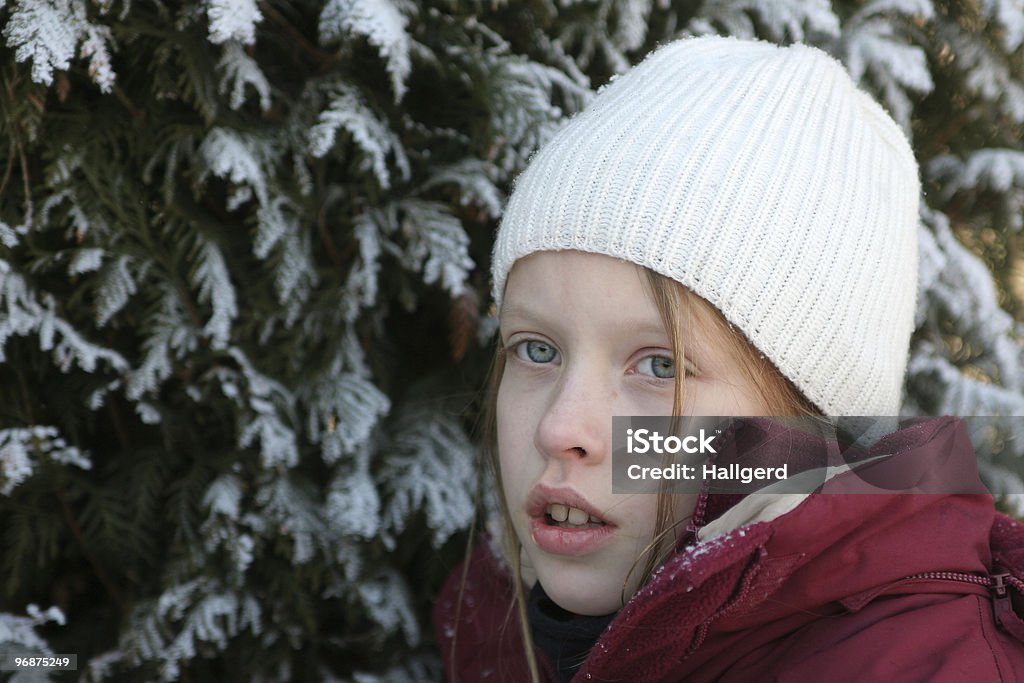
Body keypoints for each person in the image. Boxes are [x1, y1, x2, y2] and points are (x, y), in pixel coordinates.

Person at [433, 36, 1024, 682]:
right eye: (537, 349)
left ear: (809, 424)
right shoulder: (503, 633)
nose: (559, 428)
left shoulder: (925, 667)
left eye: (659, 366)